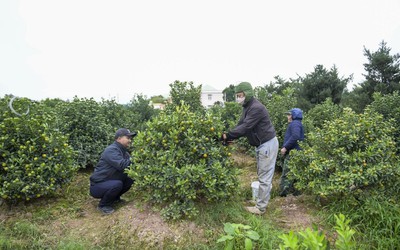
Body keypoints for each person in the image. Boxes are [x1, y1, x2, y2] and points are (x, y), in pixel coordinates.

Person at [222, 82, 279, 215]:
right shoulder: (247, 107)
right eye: (237, 95)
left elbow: (246, 127)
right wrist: (230, 137)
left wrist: (227, 135)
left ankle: (260, 208)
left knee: (265, 176)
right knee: (261, 174)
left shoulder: (256, 108)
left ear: (247, 94)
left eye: (240, 95)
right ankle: (260, 201)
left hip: (267, 144)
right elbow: (240, 125)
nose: (238, 98)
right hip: (262, 145)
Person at [89, 128, 136, 215]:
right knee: (117, 184)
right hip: (98, 185)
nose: (130, 140)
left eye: (130, 138)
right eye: (128, 138)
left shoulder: (125, 153)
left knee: (130, 178)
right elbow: (122, 165)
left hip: (110, 181)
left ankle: (114, 199)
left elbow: (130, 167)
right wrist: (137, 158)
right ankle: (103, 205)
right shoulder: (111, 150)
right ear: (119, 138)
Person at [279, 108, 304, 197]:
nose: (287, 116)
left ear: (293, 116)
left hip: (293, 153)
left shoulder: (295, 124)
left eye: (289, 115)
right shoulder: (297, 124)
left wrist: (285, 147)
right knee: (295, 174)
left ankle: (283, 195)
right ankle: (296, 194)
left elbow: (295, 136)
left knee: (287, 174)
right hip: (297, 153)